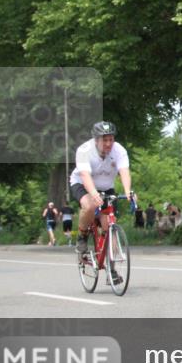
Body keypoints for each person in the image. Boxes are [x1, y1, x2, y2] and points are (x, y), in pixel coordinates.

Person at [69, 121, 134, 285]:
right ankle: (82, 236)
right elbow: (84, 176)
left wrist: (127, 191)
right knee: (90, 205)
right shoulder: (84, 151)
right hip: (82, 184)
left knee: (109, 226)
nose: (108, 144)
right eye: (104, 140)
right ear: (95, 140)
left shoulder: (119, 150)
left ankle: (111, 270)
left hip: (106, 187)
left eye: (111, 139)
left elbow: (124, 171)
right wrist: (93, 194)